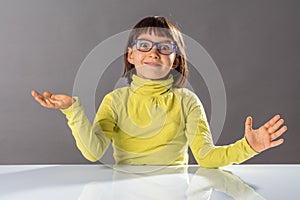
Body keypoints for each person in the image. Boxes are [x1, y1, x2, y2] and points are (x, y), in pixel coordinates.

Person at [31, 16, 287, 168]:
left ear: (175, 60)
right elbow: (93, 152)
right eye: (144, 45)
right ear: (131, 55)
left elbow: (207, 158)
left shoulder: (187, 101)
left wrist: (247, 147)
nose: (153, 53)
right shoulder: (115, 100)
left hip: (176, 191)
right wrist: (71, 110)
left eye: (164, 47)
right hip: (124, 190)